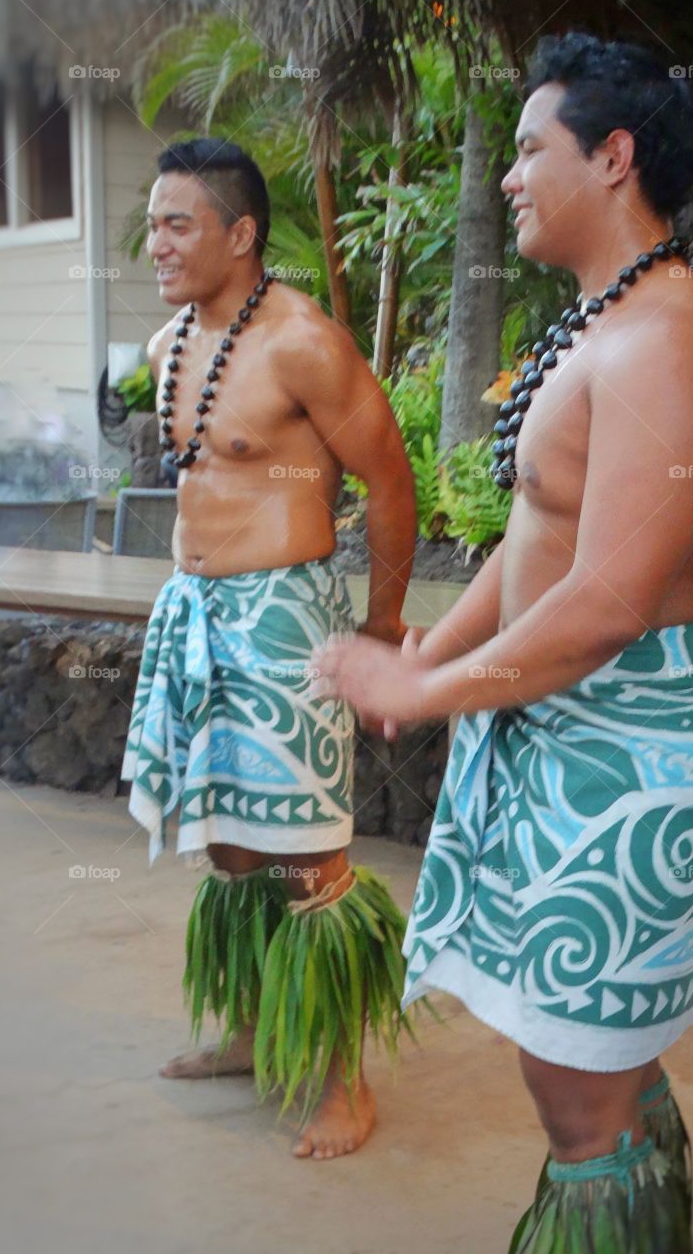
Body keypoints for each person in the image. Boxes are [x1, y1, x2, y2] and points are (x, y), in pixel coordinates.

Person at [314, 33, 693, 1248]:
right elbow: (535, 539)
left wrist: (439, 683)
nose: (509, 176)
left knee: (575, 1095)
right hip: (573, 751)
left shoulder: (673, 337)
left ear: (613, 158)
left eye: (528, 148)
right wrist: (423, 664)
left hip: (634, 766)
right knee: (580, 1072)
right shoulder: (599, 324)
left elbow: (609, 600)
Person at [120, 137, 417, 1161]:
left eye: (177, 223)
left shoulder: (304, 342)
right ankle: (253, 1032)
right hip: (194, 611)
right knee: (231, 843)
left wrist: (382, 628)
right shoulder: (168, 348)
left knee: (306, 852)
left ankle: (344, 1078)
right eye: (152, 221)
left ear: (240, 234)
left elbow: (389, 477)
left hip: (285, 612)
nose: (154, 242)